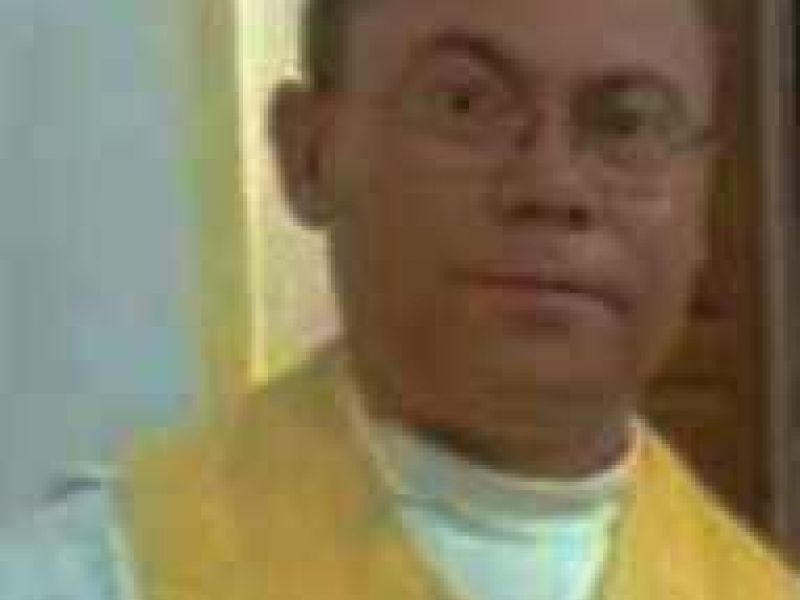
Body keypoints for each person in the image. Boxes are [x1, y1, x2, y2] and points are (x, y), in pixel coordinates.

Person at [0, 0, 797, 598]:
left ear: (705, 196)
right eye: (467, 104)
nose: (553, 185)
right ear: (309, 154)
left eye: (625, 124)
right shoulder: (94, 573)